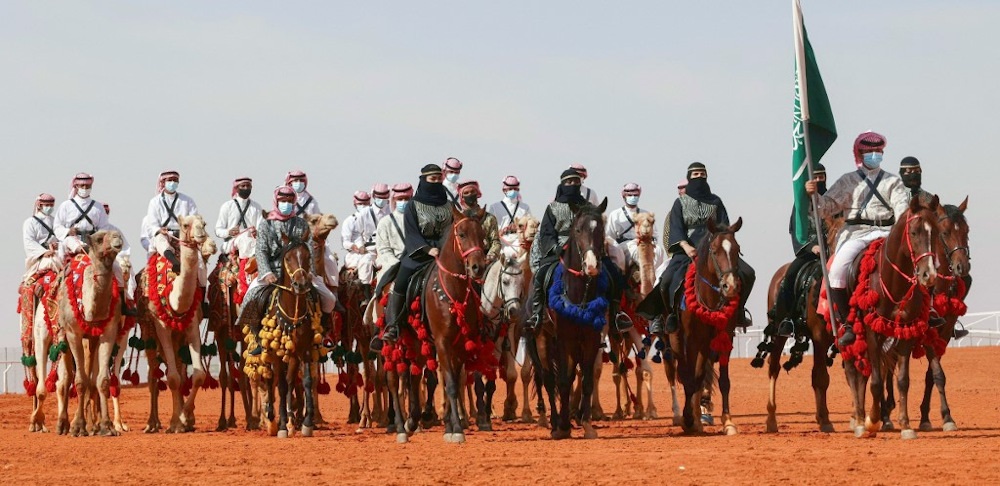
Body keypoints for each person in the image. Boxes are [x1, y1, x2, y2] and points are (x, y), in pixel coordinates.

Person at [805, 132, 910, 346]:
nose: (874, 155)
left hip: (886, 232)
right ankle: (848, 324)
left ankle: (922, 314)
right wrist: (812, 194)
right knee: (836, 272)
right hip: (856, 233)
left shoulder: (893, 182)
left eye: (878, 151)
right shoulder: (847, 181)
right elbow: (824, 209)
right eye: (869, 152)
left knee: (915, 266)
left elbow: (902, 213)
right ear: (859, 154)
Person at [639, 162, 755, 336]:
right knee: (667, 280)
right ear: (689, 178)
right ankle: (668, 316)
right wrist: (685, 246)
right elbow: (676, 228)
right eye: (695, 175)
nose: (699, 177)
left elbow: (723, 227)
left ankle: (738, 312)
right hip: (688, 251)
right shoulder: (680, 203)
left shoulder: (716, 201)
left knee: (748, 273)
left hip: (715, 251)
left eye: (702, 174)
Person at [524, 169, 631, 333]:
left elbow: (597, 230)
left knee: (614, 274)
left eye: (576, 181)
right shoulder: (552, 208)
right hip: (558, 250)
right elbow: (546, 233)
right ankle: (538, 315)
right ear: (562, 185)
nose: (573, 185)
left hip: (588, 248)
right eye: (569, 182)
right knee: (540, 276)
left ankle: (616, 315)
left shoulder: (588, 207)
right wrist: (556, 248)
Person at [244, 186, 338, 355]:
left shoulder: (301, 224)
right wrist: (266, 272)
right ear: (276, 202)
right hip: (273, 271)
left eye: (289, 201)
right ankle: (258, 338)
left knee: (329, 299)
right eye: (283, 201)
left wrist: (310, 271)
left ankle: (323, 335)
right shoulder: (267, 224)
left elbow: (309, 249)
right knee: (250, 297)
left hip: (300, 271)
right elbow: (261, 250)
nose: (286, 204)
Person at [373, 164, 453, 350]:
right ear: (424, 180)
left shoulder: (449, 205)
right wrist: (427, 249)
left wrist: (445, 248)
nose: (437, 182)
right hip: (419, 253)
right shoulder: (413, 206)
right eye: (432, 179)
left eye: (439, 179)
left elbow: (452, 229)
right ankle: (393, 325)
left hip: (445, 254)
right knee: (400, 281)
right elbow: (412, 233)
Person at [773, 164, 830, 337]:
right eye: (816, 177)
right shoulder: (799, 205)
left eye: (822, 177)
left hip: (832, 251)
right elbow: (796, 231)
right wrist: (812, 247)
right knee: (790, 276)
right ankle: (787, 318)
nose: (819, 180)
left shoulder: (833, 200)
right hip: (808, 252)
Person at [143, 170, 207, 290]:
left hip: (183, 237)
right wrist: (159, 230)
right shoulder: (155, 202)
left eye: (175, 180)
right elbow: (152, 225)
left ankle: (203, 298)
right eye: (170, 180)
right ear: (163, 182)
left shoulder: (187, 200)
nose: (173, 182)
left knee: (200, 264)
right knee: (159, 239)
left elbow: (195, 219)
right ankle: (173, 260)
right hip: (165, 235)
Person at [606, 183, 663, 270]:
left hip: (645, 242)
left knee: (659, 250)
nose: (633, 197)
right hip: (625, 245)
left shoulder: (646, 214)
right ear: (624, 196)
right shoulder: (615, 214)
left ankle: (655, 277)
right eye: (630, 195)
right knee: (635, 250)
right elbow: (610, 236)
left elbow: (654, 234)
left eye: (635, 195)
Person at [53, 173, 109, 260]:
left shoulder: (98, 207)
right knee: (69, 241)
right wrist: (68, 231)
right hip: (72, 239)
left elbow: (104, 227)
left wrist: (97, 238)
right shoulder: (66, 205)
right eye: (82, 185)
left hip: (92, 241)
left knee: (116, 268)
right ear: (76, 186)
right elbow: (57, 227)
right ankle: (83, 250)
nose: (85, 188)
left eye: (87, 186)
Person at [214, 176, 262, 258]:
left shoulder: (257, 207)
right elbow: (218, 230)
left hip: (253, 242)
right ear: (236, 188)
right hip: (232, 242)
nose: (246, 188)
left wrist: (257, 232)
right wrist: (229, 232)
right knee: (244, 239)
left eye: (248, 186)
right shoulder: (227, 206)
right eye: (243, 186)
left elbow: (261, 229)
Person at [102, 203, 137, 313]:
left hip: (114, 258)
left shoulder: (114, 230)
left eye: (106, 212)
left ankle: (125, 303)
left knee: (123, 269)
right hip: (94, 258)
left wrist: (120, 257)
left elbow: (124, 248)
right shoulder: (93, 229)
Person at [374, 183, 412, 283]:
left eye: (406, 198)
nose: (403, 202)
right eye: (400, 199)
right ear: (394, 200)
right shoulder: (385, 222)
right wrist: (396, 263)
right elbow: (383, 249)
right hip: (393, 263)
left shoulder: (419, 220)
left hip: (416, 261)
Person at [341, 190, 380, 289]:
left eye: (365, 204)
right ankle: (364, 292)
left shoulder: (375, 217)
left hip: (374, 250)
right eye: (360, 204)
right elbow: (345, 242)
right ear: (355, 204)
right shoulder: (349, 221)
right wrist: (356, 247)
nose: (363, 206)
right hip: (356, 254)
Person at [488, 175, 533, 260]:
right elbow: (490, 230)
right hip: (500, 244)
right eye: (510, 189)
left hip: (519, 243)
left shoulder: (525, 207)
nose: (513, 191)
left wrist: (519, 228)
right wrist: (501, 231)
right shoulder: (494, 207)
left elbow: (529, 227)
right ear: (504, 190)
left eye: (515, 189)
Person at [457, 180, 501, 264]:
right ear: (462, 197)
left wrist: (490, 257)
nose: (470, 194)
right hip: (464, 259)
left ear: (477, 194)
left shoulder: (489, 218)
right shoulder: (459, 220)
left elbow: (495, 241)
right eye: (466, 193)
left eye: (472, 192)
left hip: (486, 258)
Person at [22, 193, 61, 279]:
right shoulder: (30, 222)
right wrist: (43, 252)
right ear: (39, 205)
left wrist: (58, 245)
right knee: (53, 262)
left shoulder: (56, 221)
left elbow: (62, 237)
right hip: (40, 258)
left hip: (57, 253)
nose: (49, 208)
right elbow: (29, 242)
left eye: (51, 205)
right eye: (47, 205)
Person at [661, 179, 688, 257]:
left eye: (684, 187)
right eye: (680, 188)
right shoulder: (672, 213)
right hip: (680, 254)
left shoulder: (704, 210)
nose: (681, 190)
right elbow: (666, 237)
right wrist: (671, 256)